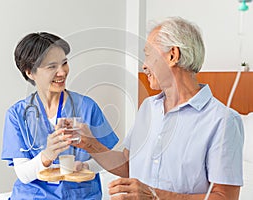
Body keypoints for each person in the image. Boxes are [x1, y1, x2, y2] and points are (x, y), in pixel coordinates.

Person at [73, 17, 244, 199]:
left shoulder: (223, 121)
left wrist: (155, 196)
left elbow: (225, 197)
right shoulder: (149, 107)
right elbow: (128, 164)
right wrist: (88, 143)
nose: (144, 65)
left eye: (148, 55)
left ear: (173, 55)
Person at [1, 32, 119, 199]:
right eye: (51, 67)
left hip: (80, 194)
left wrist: (84, 166)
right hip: (34, 196)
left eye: (64, 63)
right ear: (30, 72)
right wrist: (47, 155)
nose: (62, 72)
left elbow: (107, 161)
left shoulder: (86, 107)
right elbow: (23, 175)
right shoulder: (17, 115)